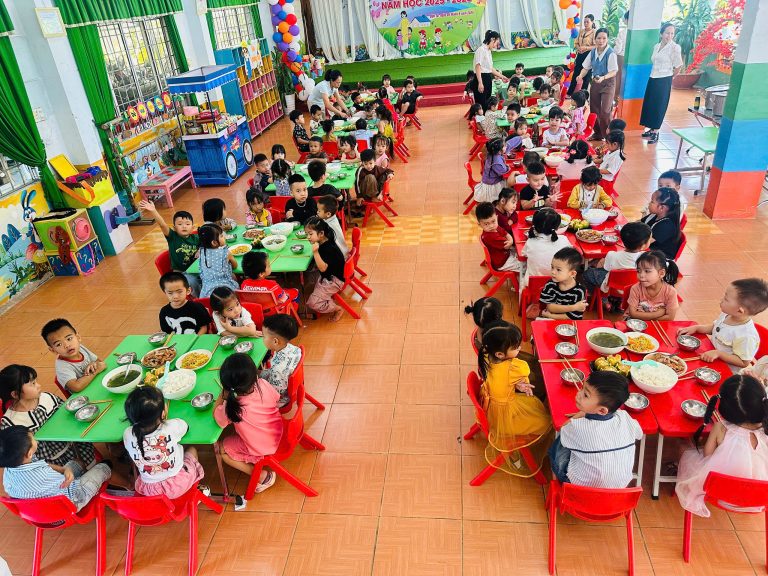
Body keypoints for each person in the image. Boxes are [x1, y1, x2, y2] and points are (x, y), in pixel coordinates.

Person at [675, 374, 768, 517]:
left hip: (718, 494)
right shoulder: (765, 430)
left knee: (685, 449)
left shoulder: (721, 427)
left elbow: (707, 455)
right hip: (758, 499)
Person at [477, 322, 553, 477]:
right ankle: (525, 456)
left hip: (490, 406)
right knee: (546, 422)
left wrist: (517, 384)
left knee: (535, 406)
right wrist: (520, 383)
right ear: (500, 354)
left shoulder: (486, 355)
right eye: (516, 347)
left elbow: (501, 380)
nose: (520, 349)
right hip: (504, 416)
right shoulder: (514, 368)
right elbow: (515, 375)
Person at [549, 371, 642, 488]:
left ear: (602, 410)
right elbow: (639, 434)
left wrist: (580, 415)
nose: (578, 394)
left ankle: (556, 478)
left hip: (579, 488)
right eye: (582, 388)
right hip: (619, 489)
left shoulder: (578, 426)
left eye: (585, 395)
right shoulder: (625, 417)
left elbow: (563, 429)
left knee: (558, 442)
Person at [214, 353, 282, 502]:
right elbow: (276, 398)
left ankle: (261, 476)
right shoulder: (262, 384)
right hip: (278, 432)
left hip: (264, 446)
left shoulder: (233, 407)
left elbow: (219, 420)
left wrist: (221, 396)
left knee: (222, 449)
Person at [0, 364, 95, 467]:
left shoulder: (48, 397)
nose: (39, 386)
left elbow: (67, 416)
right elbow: (23, 460)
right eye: (33, 384)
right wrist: (62, 470)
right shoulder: (10, 424)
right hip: (49, 466)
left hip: (77, 447)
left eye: (36, 381)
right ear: (15, 394)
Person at [0, 426, 111, 511]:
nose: (36, 441)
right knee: (104, 466)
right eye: (33, 439)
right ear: (29, 453)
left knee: (75, 464)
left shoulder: (9, 470)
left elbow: (41, 465)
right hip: (70, 503)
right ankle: (113, 486)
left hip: (37, 513)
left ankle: (87, 477)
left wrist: (64, 470)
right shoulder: (43, 474)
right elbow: (69, 486)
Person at [124, 386, 204, 499]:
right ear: (163, 413)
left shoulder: (127, 433)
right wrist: (166, 420)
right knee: (192, 449)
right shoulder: (170, 426)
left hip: (151, 491)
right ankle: (195, 488)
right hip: (178, 484)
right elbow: (186, 426)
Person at [678, 278, 768, 372]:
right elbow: (716, 327)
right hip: (711, 359)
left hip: (726, 371)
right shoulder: (728, 315)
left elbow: (743, 362)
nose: (721, 300)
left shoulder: (746, 336)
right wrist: (697, 328)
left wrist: (719, 354)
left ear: (739, 310)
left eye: (726, 299)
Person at [138, 200, 200, 296]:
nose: (184, 226)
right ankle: (199, 300)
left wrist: (200, 249)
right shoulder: (173, 237)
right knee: (192, 281)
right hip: (180, 274)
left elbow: (206, 244)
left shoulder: (196, 238)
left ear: (192, 227)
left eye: (187, 224)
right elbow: (162, 225)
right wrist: (153, 210)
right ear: (174, 228)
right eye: (180, 224)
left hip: (196, 270)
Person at [640, 23, 684, 144]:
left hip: (664, 79)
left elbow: (678, 66)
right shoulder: (657, 46)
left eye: (672, 33)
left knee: (659, 105)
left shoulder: (675, 48)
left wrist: (670, 77)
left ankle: (656, 132)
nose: (669, 36)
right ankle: (651, 128)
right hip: (653, 77)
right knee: (650, 104)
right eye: (667, 33)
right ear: (661, 34)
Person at [583, 221, 653, 296]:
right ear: (643, 245)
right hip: (636, 289)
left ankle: (600, 296)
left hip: (612, 289)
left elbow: (605, 268)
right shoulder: (649, 259)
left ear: (621, 239)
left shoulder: (612, 255)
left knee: (587, 273)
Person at [41, 318, 106, 394]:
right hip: (86, 395)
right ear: (53, 350)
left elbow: (100, 362)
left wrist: (94, 364)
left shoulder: (80, 348)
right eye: (59, 344)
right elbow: (76, 387)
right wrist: (95, 371)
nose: (67, 345)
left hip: (98, 384)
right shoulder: (62, 366)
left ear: (78, 337)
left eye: (69, 339)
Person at [576, 28, 618, 141]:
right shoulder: (593, 52)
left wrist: (603, 77)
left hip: (608, 83)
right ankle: (598, 133)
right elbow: (586, 67)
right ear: (595, 39)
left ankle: (609, 136)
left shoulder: (611, 53)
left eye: (604, 38)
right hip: (595, 82)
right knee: (594, 109)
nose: (601, 41)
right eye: (599, 38)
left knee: (605, 111)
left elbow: (614, 71)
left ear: (607, 39)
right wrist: (580, 76)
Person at [305, 217, 347, 322]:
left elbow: (323, 268)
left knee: (313, 303)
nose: (308, 237)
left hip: (334, 280)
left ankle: (338, 309)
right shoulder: (325, 241)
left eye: (310, 234)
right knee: (309, 277)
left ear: (321, 233)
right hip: (329, 276)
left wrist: (315, 252)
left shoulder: (328, 248)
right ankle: (323, 298)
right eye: (306, 234)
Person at [521, 208, 572, 289]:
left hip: (534, 286)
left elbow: (523, 255)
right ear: (557, 226)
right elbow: (572, 254)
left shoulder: (530, 242)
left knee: (525, 269)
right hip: (559, 287)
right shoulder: (564, 240)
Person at [258, 314, 302, 408]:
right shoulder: (294, 348)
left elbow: (276, 394)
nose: (262, 338)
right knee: (255, 374)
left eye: (264, 336)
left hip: (281, 398)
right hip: (291, 382)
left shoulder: (278, 370)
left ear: (275, 341)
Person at [624, 250, 680, 322]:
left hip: (657, 325)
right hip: (635, 324)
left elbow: (670, 318)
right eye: (638, 271)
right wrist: (658, 313)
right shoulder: (636, 288)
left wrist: (644, 318)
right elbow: (633, 314)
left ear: (661, 273)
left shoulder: (670, 292)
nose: (641, 275)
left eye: (647, 271)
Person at [539, 247, 588, 320]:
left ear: (572, 274)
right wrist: (574, 307)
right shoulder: (550, 285)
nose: (553, 272)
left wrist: (551, 316)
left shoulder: (579, 291)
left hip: (568, 323)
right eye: (552, 267)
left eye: (558, 269)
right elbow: (550, 307)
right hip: (550, 319)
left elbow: (573, 317)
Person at [477, 202, 522, 273]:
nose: (491, 226)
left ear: (497, 218)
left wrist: (510, 240)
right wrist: (510, 241)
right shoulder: (490, 237)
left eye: (493, 221)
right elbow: (507, 246)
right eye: (486, 224)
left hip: (504, 254)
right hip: (502, 262)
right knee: (524, 264)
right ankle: (522, 280)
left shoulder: (495, 227)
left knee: (521, 253)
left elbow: (505, 233)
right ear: (480, 225)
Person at [197, 223, 238, 298]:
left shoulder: (201, 252)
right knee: (234, 277)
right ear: (214, 243)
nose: (224, 237)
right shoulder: (225, 252)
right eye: (221, 236)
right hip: (226, 290)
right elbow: (235, 266)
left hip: (206, 292)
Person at [640, 187, 682, 260]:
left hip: (659, 259)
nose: (649, 203)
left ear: (662, 208)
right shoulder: (654, 215)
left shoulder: (666, 226)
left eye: (652, 201)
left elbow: (643, 245)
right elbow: (638, 224)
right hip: (650, 250)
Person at [471, 30, 508, 110]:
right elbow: (478, 67)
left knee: (487, 101)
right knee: (481, 103)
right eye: (496, 43)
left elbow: (490, 68)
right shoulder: (481, 50)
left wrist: (502, 76)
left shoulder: (488, 51)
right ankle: (481, 117)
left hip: (487, 78)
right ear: (492, 39)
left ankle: (486, 117)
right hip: (481, 78)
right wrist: (480, 83)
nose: (496, 46)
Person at [473, 138, 514, 203]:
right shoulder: (496, 161)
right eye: (504, 146)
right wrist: (508, 168)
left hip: (490, 180)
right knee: (511, 184)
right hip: (493, 186)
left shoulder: (491, 154)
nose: (506, 147)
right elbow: (502, 171)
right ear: (499, 150)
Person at [568, 14, 596, 95]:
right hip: (580, 54)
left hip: (589, 55)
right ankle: (570, 92)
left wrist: (585, 48)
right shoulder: (581, 31)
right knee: (576, 73)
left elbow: (596, 46)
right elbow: (576, 43)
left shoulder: (594, 32)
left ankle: (583, 95)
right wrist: (578, 48)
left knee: (587, 76)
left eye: (587, 22)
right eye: (584, 22)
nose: (585, 24)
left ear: (592, 22)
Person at [614, 11, 629, 103]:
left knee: (619, 77)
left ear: (627, 20)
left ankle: (617, 98)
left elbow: (618, 50)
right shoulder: (637, 33)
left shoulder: (623, 33)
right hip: (633, 58)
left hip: (622, 57)